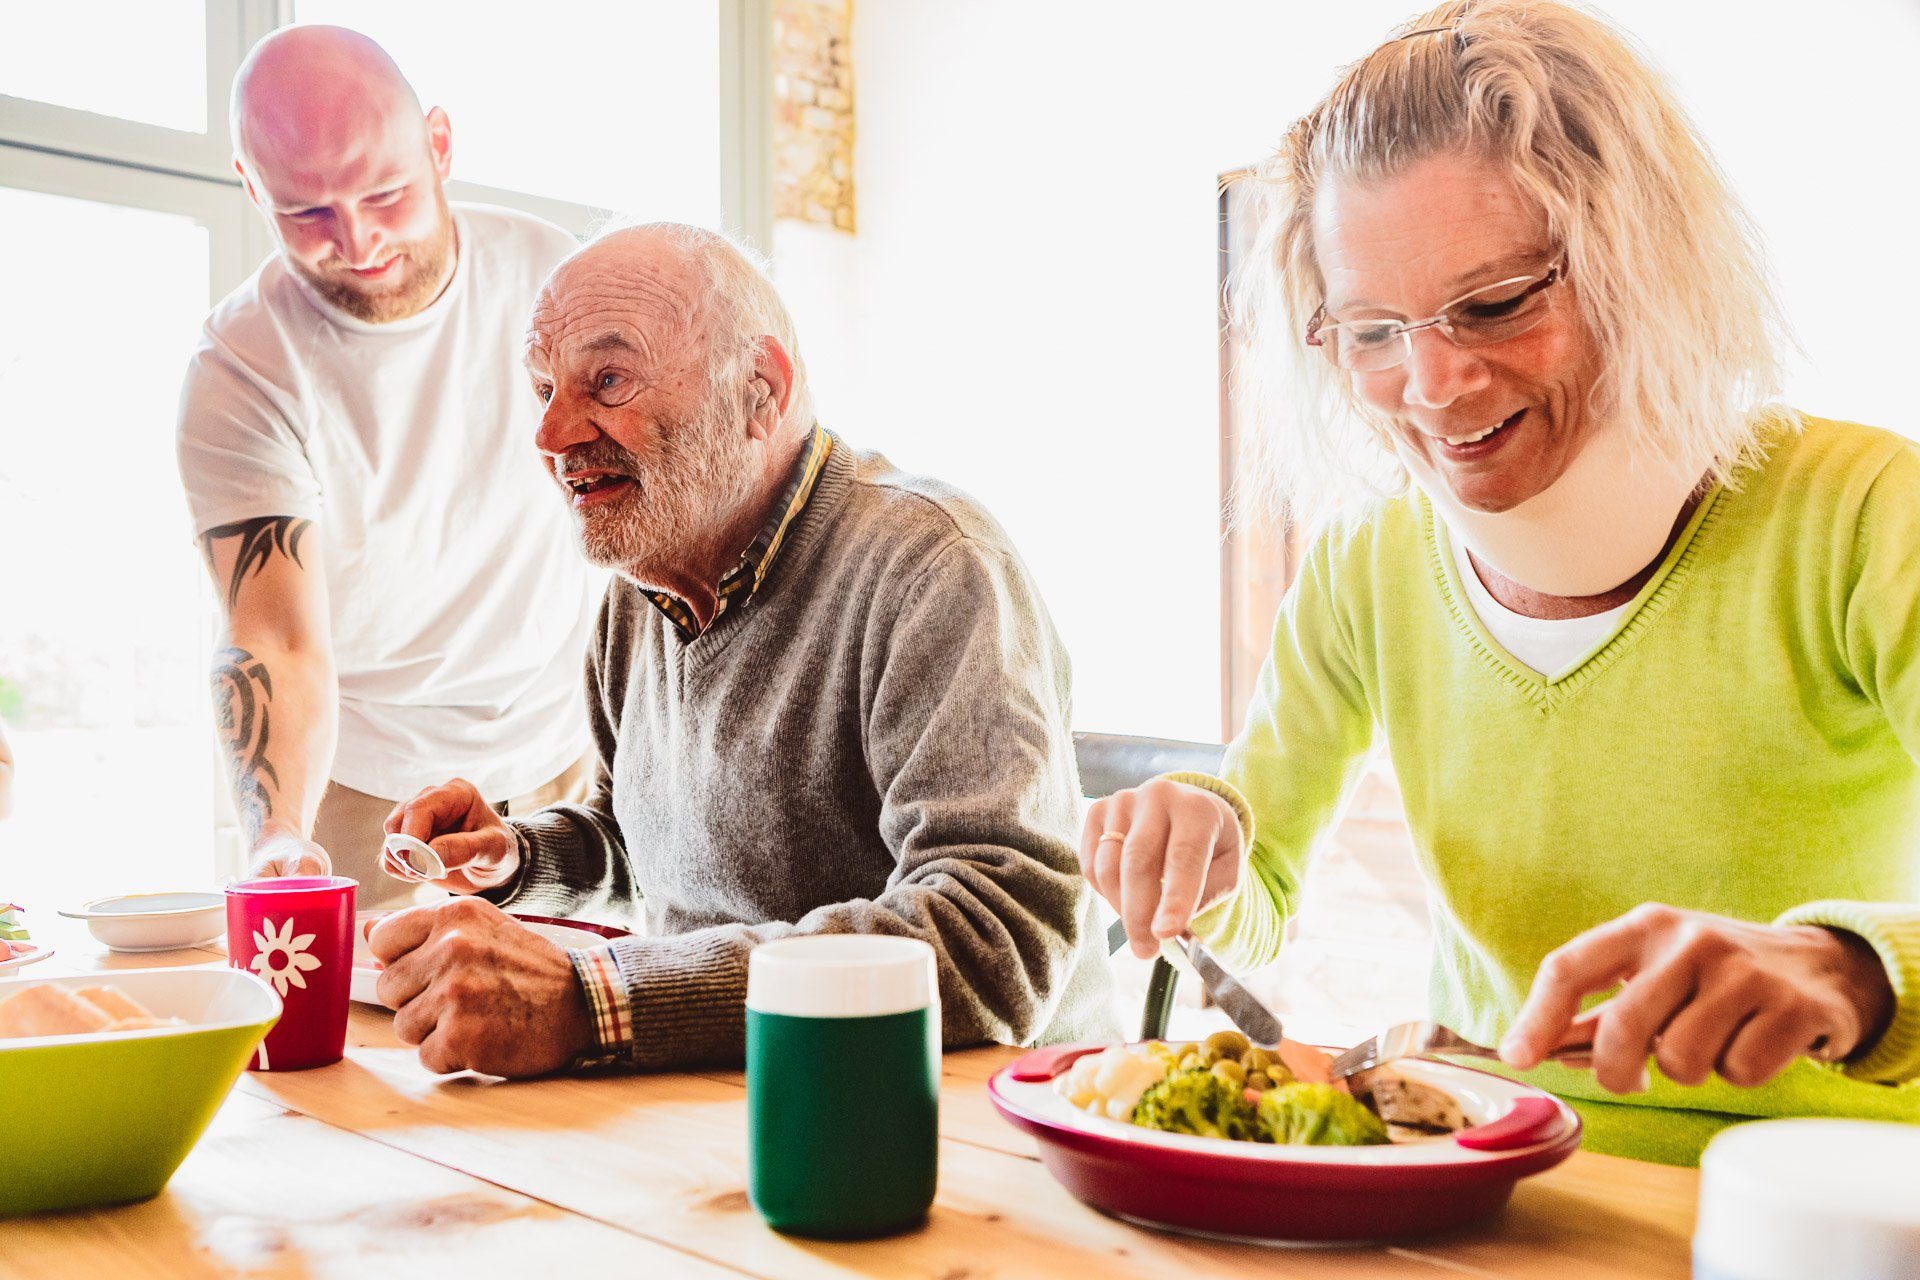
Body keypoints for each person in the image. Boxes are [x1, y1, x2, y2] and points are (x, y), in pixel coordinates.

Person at [1084, 0, 1920, 1165]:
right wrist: (1203, 840)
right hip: (1478, 1173)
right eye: (1372, 330)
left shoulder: (1869, 515)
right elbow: (1259, 896)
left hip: (1818, 1194)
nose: (1432, 383)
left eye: (1498, 302)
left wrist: (1853, 969)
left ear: (1643, 261)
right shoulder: (1364, 562)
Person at [364, 223, 1116, 1076]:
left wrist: (605, 997)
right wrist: (517, 856)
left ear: (760, 390)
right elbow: (645, 842)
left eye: (607, 381)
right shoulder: (635, 596)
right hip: (732, 1094)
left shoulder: (931, 566)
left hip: (965, 1114)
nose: (552, 434)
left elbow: (997, 935)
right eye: (543, 388)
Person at [177, 26, 598, 905]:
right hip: (367, 788)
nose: (359, 239)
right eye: (307, 213)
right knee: (369, 1032)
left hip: (568, 751)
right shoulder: (242, 366)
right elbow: (278, 638)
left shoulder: (554, 279)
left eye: (386, 192)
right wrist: (278, 831)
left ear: (439, 147)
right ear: (252, 186)